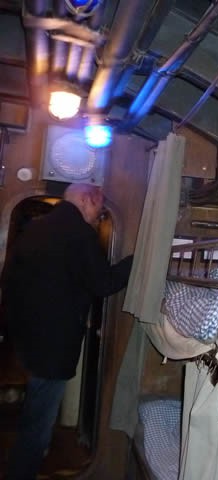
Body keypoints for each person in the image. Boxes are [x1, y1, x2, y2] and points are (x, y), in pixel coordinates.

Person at [0, 183, 133, 480]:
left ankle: (27, 461)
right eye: (99, 208)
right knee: (39, 420)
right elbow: (103, 283)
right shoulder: (79, 233)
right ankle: (21, 471)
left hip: (27, 340)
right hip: (54, 344)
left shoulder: (34, 229)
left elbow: (8, 281)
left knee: (35, 410)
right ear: (86, 199)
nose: (100, 216)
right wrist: (136, 262)